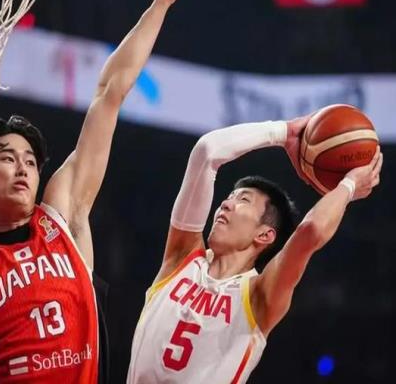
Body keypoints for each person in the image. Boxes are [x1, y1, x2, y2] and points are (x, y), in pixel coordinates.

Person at [0, 0, 193, 382]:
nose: (24, 168)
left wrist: (163, 2)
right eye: (8, 158)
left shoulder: (61, 216)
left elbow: (108, 93)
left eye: (30, 161)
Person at [127, 115, 383, 383]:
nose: (225, 204)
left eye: (243, 200)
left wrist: (349, 185)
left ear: (265, 234)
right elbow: (207, 151)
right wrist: (282, 131)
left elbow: (311, 231)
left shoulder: (258, 296)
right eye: (228, 198)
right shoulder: (181, 261)